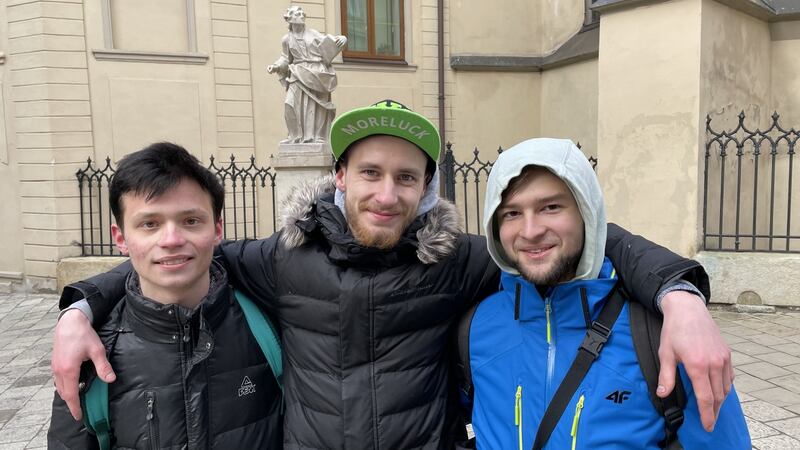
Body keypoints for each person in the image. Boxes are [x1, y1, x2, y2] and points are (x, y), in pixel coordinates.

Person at [53, 101, 731, 449]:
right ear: (340, 177)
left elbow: (582, 239)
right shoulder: (282, 258)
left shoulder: (461, 260)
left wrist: (679, 296)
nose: (386, 193)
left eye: (407, 177)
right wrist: (79, 308)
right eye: (370, 173)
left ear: (427, 189)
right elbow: (179, 257)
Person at [466, 138, 749, 449]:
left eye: (551, 207)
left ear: (587, 213)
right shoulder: (473, 327)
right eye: (511, 213)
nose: (530, 230)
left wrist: (684, 298)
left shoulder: (666, 336)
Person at [47, 143, 282, 449]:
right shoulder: (91, 355)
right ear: (121, 238)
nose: (171, 239)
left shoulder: (268, 326)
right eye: (150, 224)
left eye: (191, 221)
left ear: (217, 229)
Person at [268, 5, 346, 144]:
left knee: (315, 106)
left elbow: (329, 42)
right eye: (297, 13)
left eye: (302, 12)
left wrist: (342, 39)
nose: (302, 14)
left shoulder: (313, 33)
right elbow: (285, 58)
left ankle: (316, 137)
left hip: (316, 72)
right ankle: (294, 136)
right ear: (289, 18)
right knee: (290, 103)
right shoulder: (286, 39)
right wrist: (276, 66)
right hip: (297, 73)